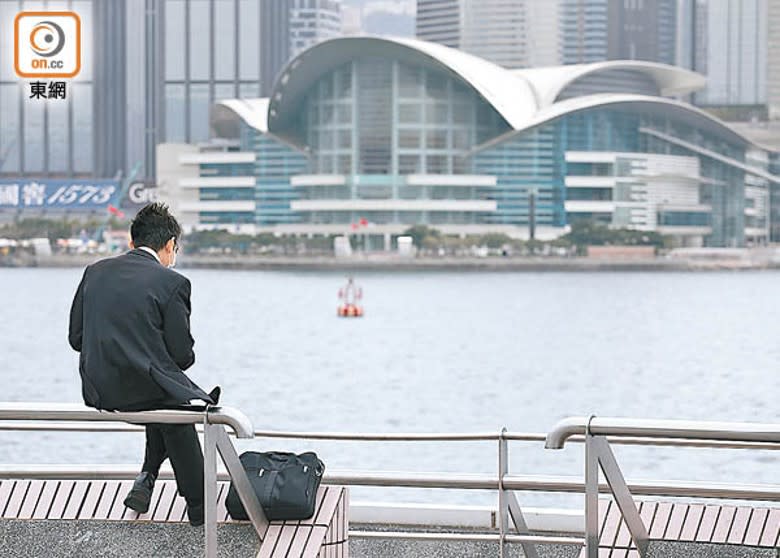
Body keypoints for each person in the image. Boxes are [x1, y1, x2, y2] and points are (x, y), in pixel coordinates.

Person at [68, 203, 219, 527]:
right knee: (172, 405)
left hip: (100, 390)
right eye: (174, 249)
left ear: (132, 243)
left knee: (160, 391)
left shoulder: (94, 272)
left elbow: (76, 338)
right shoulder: (172, 283)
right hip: (149, 394)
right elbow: (181, 357)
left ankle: (147, 477)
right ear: (169, 246)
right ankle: (199, 506)